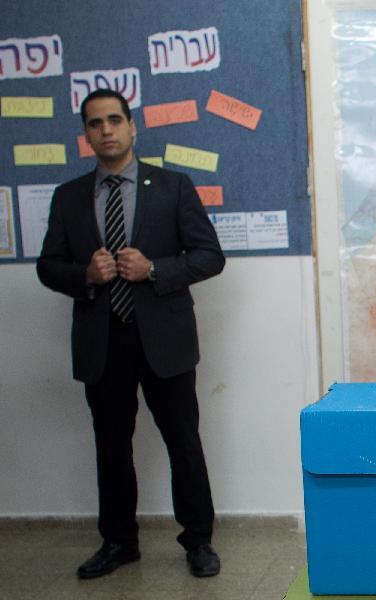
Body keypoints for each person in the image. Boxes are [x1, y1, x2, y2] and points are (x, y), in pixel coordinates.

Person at [36, 89, 225, 579]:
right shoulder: (69, 197)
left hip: (164, 339)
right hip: (104, 341)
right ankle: (119, 542)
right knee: (111, 446)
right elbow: (47, 267)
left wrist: (155, 270)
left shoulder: (173, 186)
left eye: (114, 120)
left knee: (183, 441)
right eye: (95, 123)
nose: (106, 130)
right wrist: (86, 276)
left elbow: (210, 257)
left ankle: (198, 541)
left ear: (132, 126)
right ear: (86, 135)